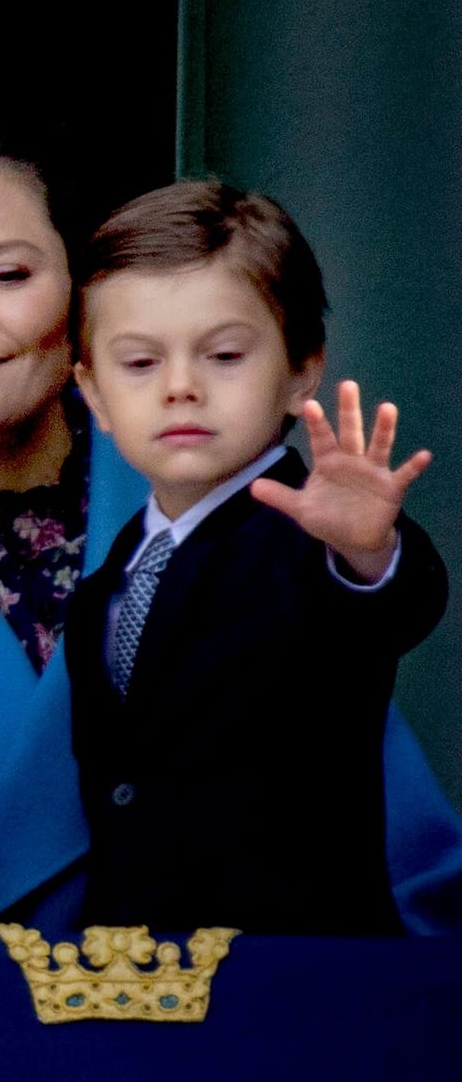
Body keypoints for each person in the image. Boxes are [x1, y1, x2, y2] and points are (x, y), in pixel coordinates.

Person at [0, 130, 462, 932]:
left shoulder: (229, 512)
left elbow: (386, 832)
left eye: (7, 274)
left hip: (245, 1017)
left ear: (78, 297)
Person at [67, 181, 444, 934]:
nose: (180, 388)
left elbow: (391, 604)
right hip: (135, 984)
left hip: (299, 982)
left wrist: (369, 551)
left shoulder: (315, 541)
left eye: (226, 355)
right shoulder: (108, 580)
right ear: (94, 395)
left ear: (301, 367)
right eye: (139, 363)